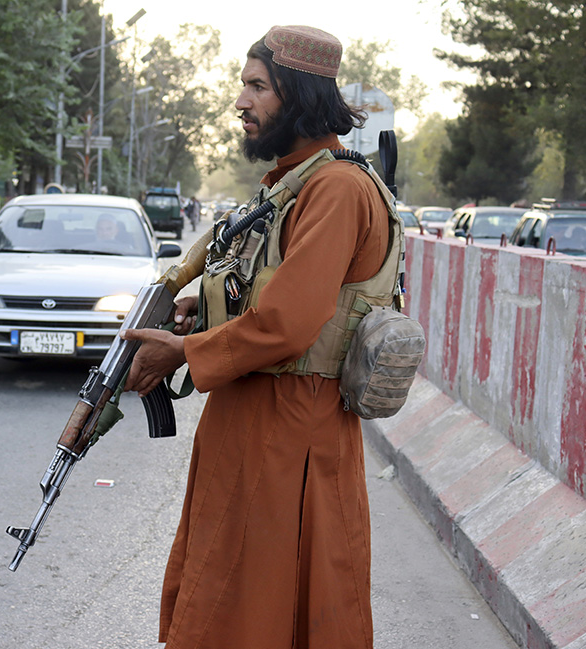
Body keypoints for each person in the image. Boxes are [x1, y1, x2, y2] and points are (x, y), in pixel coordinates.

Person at [122, 25, 398, 649]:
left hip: (291, 434)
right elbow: (263, 295)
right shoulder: (292, 184)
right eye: (243, 86)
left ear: (297, 94)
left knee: (260, 610)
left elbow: (289, 323)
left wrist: (184, 352)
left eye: (258, 87)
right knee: (222, 592)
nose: (241, 102)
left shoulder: (336, 188)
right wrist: (204, 309)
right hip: (253, 423)